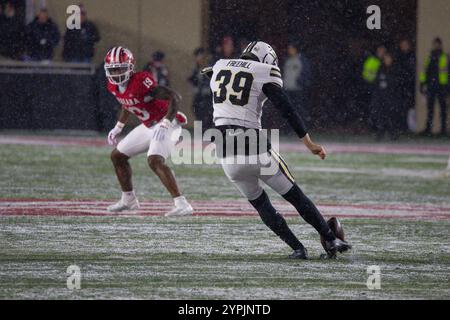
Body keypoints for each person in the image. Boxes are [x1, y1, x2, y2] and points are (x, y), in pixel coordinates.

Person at [202, 41, 351, 259]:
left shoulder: (219, 65)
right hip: (253, 146)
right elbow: (286, 108)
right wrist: (309, 143)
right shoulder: (264, 71)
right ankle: (330, 238)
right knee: (294, 195)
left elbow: (213, 73)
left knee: (261, 204)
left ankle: (298, 248)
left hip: (226, 153)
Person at [104, 47, 193, 216]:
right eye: (113, 69)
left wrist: (166, 122)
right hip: (148, 126)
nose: (116, 73)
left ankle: (182, 204)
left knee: (154, 161)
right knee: (117, 156)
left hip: (166, 124)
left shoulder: (140, 81)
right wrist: (118, 127)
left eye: (120, 68)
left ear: (130, 67)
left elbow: (174, 97)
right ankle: (128, 200)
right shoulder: (112, 85)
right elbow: (127, 103)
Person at [419, 38, 448, 136]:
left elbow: (448, 73)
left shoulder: (445, 57)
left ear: (440, 45)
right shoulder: (429, 57)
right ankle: (428, 129)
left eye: (438, 44)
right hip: (431, 86)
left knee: (443, 109)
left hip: (441, 86)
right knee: (430, 109)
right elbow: (424, 71)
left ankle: (443, 129)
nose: (436, 46)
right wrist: (422, 84)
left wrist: (447, 88)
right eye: (435, 44)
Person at [369, 53, 400, 140]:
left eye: (389, 58)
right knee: (380, 116)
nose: (387, 60)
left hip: (390, 96)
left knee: (391, 116)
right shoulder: (381, 68)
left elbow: (396, 83)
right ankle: (380, 134)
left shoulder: (394, 69)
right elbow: (376, 81)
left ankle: (393, 134)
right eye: (386, 58)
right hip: (381, 96)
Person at [282, 42, 312, 129]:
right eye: (289, 49)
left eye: (291, 48)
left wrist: (302, 82)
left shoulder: (302, 60)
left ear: (296, 49)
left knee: (299, 109)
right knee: (287, 110)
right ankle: (287, 129)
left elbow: (307, 74)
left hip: (298, 89)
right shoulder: (287, 60)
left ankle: (302, 128)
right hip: (287, 89)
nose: (289, 50)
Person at [187, 47, 213, 131]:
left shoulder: (208, 67)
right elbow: (193, 79)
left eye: (199, 57)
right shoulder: (197, 68)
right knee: (198, 113)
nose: (198, 59)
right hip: (199, 97)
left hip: (207, 97)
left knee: (206, 117)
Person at [396, 39, 416, 134]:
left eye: (405, 44)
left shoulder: (411, 56)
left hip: (408, 85)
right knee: (400, 107)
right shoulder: (398, 56)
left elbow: (411, 71)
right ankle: (401, 127)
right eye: (402, 44)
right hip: (400, 86)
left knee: (408, 108)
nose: (404, 46)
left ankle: (408, 128)